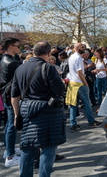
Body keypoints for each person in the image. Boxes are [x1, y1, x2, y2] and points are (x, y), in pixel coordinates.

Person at [11, 41, 66, 176]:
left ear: (34, 51)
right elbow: (59, 91)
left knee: (28, 149)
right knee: (48, 150)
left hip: (27, 112)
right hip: (48, 113)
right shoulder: (48, 68)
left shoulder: (20, 68)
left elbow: (14, 95)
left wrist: (17, 115)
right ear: (48, 53)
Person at [65, 43, 102, 131]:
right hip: (79, 83)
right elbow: (79, 72)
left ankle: (73, 124)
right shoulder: (78, 58)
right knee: (87, 103)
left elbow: (76, 70)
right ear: (77, 48)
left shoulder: (72, 57)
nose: (84, 48)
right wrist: (85, 83)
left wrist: (86, 66)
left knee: (74, 105)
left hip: (72, 83)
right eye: (82, 47)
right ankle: (91, 121)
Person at [0, 37, 22, 167]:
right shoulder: (11, 63)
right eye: (17, 46)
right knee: (12, 124)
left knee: (9, 124)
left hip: (6, 95)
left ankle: (9, 150)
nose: (19, 48)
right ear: (10, 47)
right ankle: (10, 155)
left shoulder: (4, 60)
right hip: (10, 96)